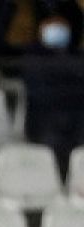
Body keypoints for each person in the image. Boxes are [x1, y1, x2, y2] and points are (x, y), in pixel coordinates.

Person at [21, 6, 84, 180]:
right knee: (53, 142)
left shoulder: (76, 55)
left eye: (61, 25)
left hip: (77, 117)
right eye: (52, 25)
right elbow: (40, 91)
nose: (57, 29)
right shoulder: (33, 56)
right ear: (42, 29)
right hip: (45, 120)